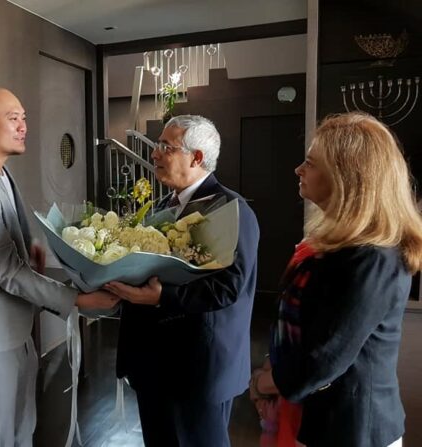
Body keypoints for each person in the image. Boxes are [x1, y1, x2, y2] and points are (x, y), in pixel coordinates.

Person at [0, 86, 119, 447]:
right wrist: (80, 301)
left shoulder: (0, 174)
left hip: (15, 327)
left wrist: (34, 252)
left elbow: (15, 254)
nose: (23, 126)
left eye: (24, 118)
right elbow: (8, 272)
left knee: (23, 429)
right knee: (1, 437)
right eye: (12, 118)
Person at [251, 112, 421, 447]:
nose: (299, 170)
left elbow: (321, 361)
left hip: (352, 431)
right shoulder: (340, 246)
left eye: (311, 163)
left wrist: (261, 384)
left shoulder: (373, 257)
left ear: (347, 177)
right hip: (322, 420)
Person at [105, 115, 260, 447]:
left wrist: (163, 297)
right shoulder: (161, 208)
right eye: (157, 146)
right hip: (154, 366)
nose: (155, 154)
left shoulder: (231, 210)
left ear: (197, 157)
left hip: (197, 368)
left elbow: (231, 286)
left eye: (165, 147)